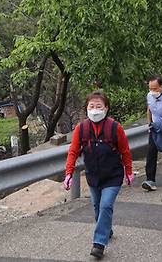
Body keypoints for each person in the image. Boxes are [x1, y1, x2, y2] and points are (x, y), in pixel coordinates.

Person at [63, 91, 134, 260]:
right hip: (93, 176)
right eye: (91, 106)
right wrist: (68, 174)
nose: (95, 110)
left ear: (106, 108)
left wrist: (129, 172)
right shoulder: (82, 129)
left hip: (113, 176)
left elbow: (125, 151)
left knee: (105, 206)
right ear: (86, 108)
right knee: (97, 206)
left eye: (99, 106)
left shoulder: (115, 128)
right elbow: (73, 152)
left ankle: (99, 244)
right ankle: (106, 229)